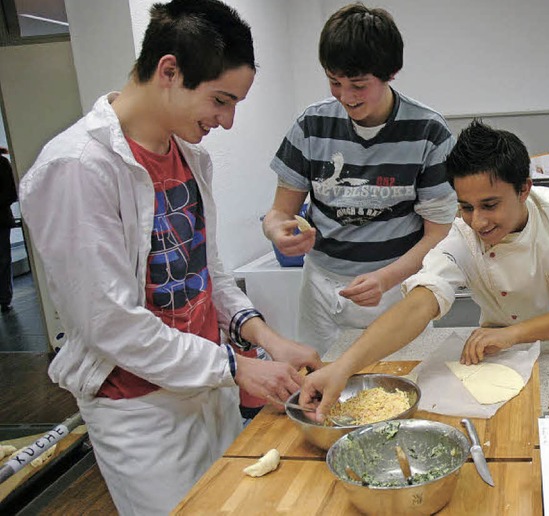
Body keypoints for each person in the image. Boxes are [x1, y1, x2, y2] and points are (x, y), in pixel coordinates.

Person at [19, 1, 322, 514]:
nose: (226, 122)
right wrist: (237, 367)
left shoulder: (189, 157)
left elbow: (209, 275)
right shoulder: (77, 168)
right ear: (169, 71)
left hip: (209, 385)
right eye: (221, 100)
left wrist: (265, 339)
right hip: (140, 408)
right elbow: (109, 324)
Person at [299, 119, 549, 421]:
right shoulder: (462, 234)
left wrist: (513, 334)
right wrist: (342, 368)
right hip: (496, 353)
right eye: (466, 207)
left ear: (523, 189)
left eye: (490, 205)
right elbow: (420, 304)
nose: (478, 221)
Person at [262, 3, 457, 355]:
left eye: (358, 85)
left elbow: (439, 236)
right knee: (322, 387)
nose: (346, 97)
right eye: (335, 82)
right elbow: (279, 213)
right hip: (322, 288)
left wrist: (386, 278)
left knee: (401, 387)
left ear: (390, 73)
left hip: (398, 289)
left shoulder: (428, 132)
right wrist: (278, 231)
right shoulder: (312, 126)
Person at [0, 147, 17, 314]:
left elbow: (12, 192)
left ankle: (5, 299)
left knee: (3, 260)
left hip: (1, 220)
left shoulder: (2, 163)